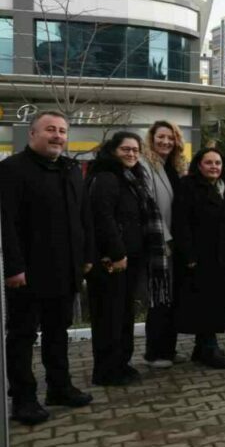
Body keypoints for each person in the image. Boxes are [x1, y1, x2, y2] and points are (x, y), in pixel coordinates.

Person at [0, 111, 94, 424]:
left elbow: (83, 216)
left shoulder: (71, 169)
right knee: (22, 335)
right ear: (32, 134)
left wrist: (86, 256)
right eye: (50, 130)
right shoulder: (11, 170)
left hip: (65, 269)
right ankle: (23, 399)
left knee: (58, 331)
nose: (57, 136)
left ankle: (59, 387)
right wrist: (13, 268)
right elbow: (6, 223)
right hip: (27, 273)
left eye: (62, 131)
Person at [86, 132, 163, 387]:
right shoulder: (106, 177)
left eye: (135, 150)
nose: (131, 154)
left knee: (123, 314)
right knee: (109, 316)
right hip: (112, 261)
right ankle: (107, 371)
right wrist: (117, 254)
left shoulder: (130, 177)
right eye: (125, 149)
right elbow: (103, 218)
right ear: (113, 150)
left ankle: (121, 363)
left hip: (131, 258)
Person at [173, 147, 225, 369]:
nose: (214, 167)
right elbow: (181, 223)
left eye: (218, 163)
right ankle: (209, 347)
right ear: (199, 165)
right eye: (209, 163)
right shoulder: (188, 186)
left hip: (224, 254)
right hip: (200, 256)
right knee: (204, 302)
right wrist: (188, 254)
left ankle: (202, 347)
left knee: (220, 300)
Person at [139, 120, 186, 368]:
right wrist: (165, 239)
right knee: (159, 298)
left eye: (170, 137)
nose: (166, 142)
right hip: (160, 242)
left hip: (177, 242)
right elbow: (149, 206)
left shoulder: (175, 166)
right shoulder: (145, 164)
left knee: (172, 298)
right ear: (152, 138)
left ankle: (169, 349)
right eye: (161, 137)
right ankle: (155, 352)